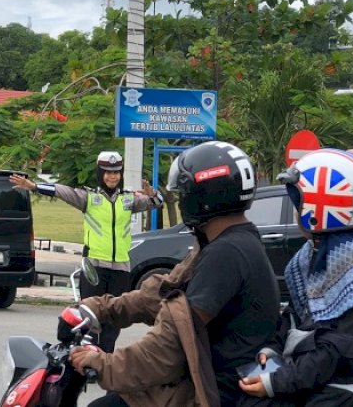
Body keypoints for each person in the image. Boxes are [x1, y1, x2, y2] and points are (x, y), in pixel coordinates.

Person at [67, 141, 280, 406]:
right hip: (203, 377)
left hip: (213, 389)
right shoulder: (222, 241)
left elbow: (171, 343)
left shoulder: (227, 253)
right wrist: (101, 307)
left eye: (182, 195)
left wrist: (105, 364)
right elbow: (166, 290)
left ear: (201, 196)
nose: (180, 202)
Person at [239, 148, 353, 407]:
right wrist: (271, 351)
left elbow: (341, 349)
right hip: (321, 373)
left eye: (298, 202)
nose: (295, 209)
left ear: (318, 208)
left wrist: (277, 382)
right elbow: (296, 316)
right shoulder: (311, 255)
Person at [10, 151, 164, 353]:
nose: (112, 176)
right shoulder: (89, 197)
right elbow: (61, 191)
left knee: (114, 318)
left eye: (116, 172)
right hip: (94, 268)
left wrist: (152, 194)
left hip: (121, 268)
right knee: (90, 316)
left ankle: (105, 359)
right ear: (100, 174)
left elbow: (157, 202)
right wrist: (34, 186)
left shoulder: (128, 199)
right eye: (107, 172)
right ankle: (86, 358)